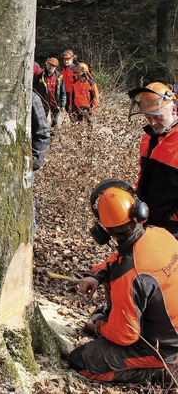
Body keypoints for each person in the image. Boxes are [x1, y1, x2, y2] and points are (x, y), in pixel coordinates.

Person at [69, 178, 178, 384]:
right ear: (139, 212)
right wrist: (96, 274)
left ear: (103, 232)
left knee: (80, 361)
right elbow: (122, 258)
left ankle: (160, 370)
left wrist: (99, 325)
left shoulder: (128, 274)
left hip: (163, 348)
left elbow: (125, 336)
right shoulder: (159, 234)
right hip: (168, 330)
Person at [127, 82, 178, 237]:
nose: (153, 123)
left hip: (172, 227)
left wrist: (173, 217)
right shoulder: (148, 139)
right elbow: (144, 175)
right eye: (148, 118)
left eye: (157, 117)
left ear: (173, 109)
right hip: (148, 221)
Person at [33, 57, 66, 129]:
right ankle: (46, 137)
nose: (51, 67)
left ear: (56, 67)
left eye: (53, 66)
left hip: (56, 104)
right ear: (47, 64)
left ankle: (54, 138)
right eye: (50, 65)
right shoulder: (40, 77)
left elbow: (62, 92)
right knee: (44, 123)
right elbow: (34, 91)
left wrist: (63, 104)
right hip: (43, 104)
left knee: (57, 124)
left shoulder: (59, 77)